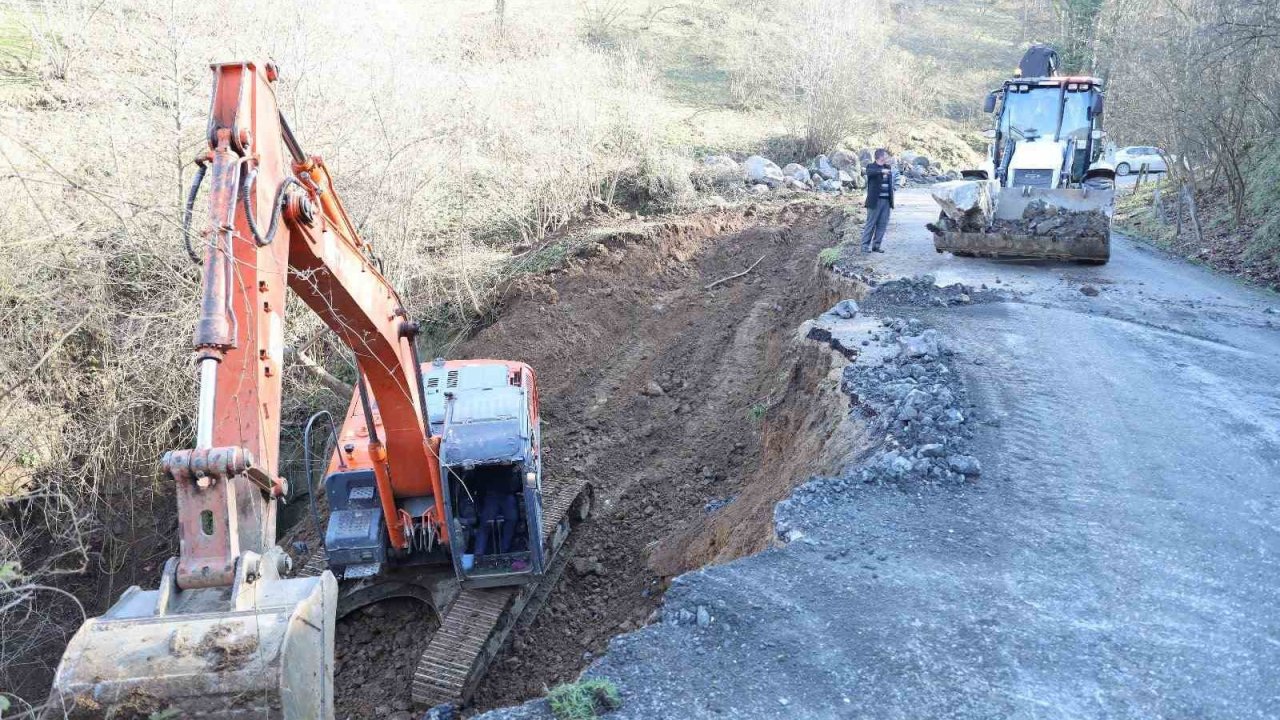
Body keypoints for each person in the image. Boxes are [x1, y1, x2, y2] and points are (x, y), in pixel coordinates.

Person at [861, 149, 895, 254]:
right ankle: (865, 246)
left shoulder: (888, 167)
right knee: (871, 224)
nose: (887, 157)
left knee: (882, 224)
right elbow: (870, 173)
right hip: (875, 202)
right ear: (880, 157)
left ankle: (876, 246)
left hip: (886, 201)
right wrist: (881, 171)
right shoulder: (871, 167)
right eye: (886, 156)